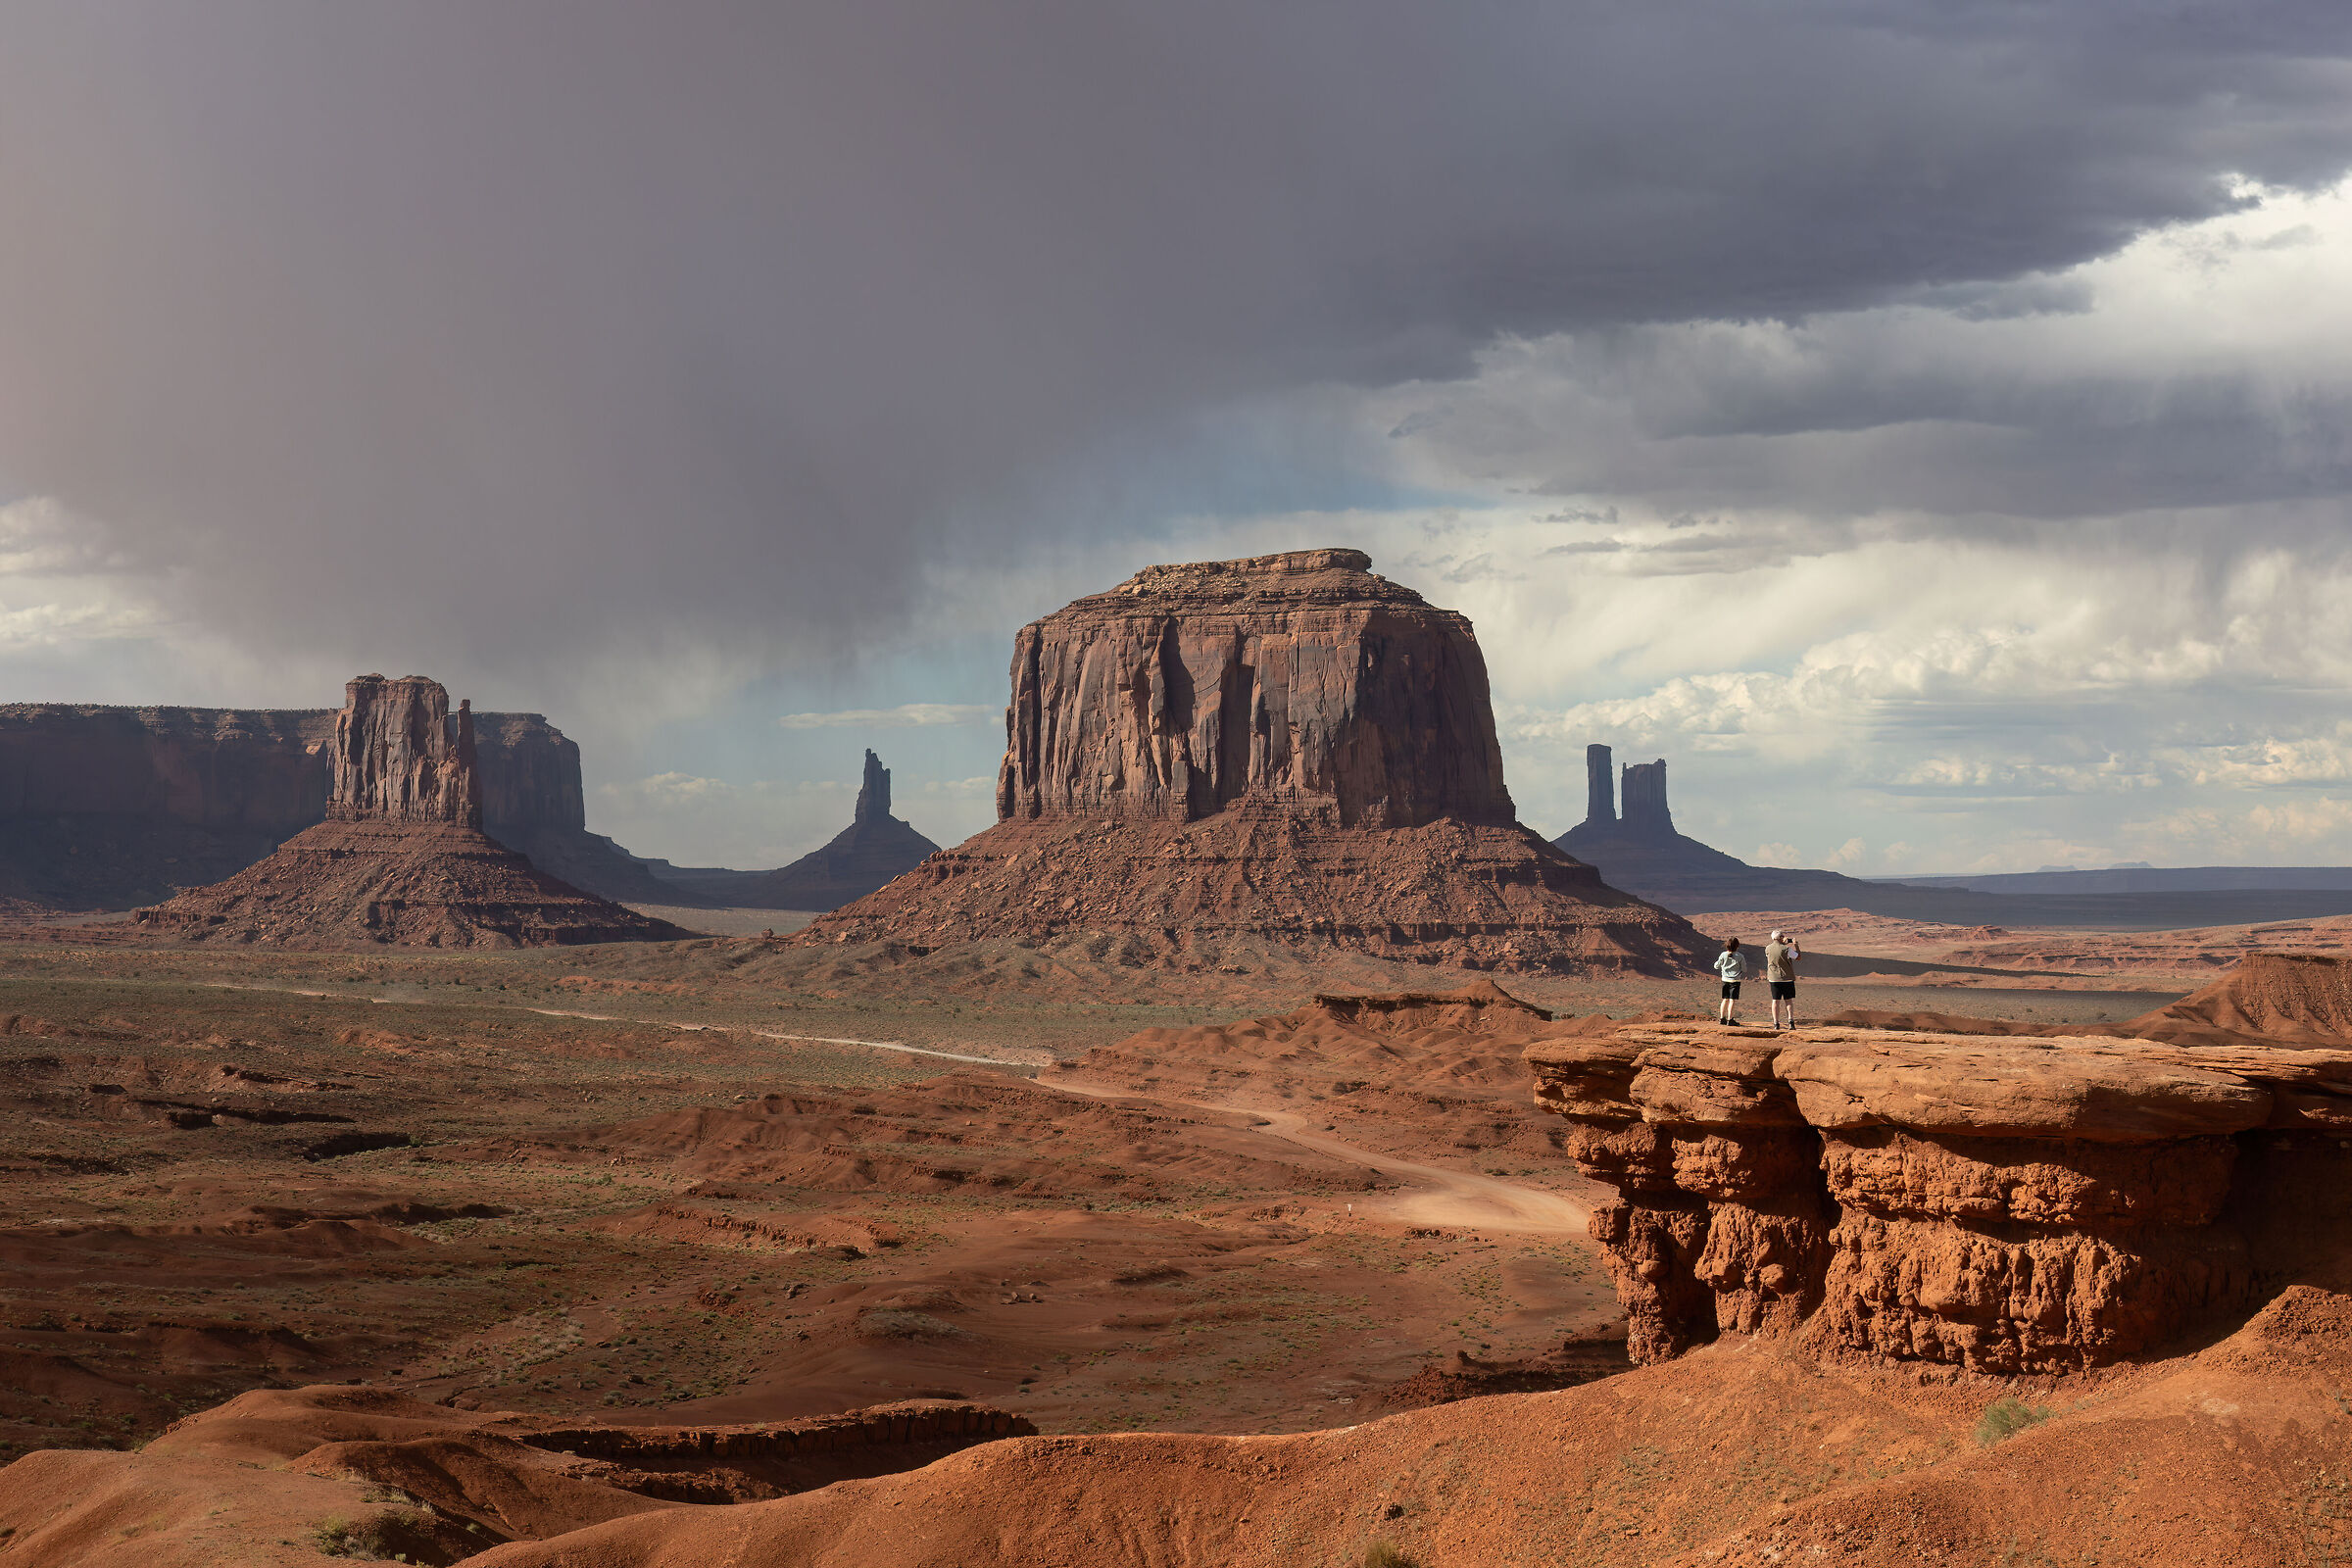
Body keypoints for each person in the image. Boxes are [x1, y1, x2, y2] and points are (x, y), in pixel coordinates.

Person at [1763, 928, 1801, 1030]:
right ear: (1780, 938)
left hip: (1774, 978)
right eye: (1783, 936)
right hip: (1787, 978)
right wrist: (1795, 944)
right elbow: (1798, 957)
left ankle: (1776, 1024)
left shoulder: (1767, 948)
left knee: (1775, 1001)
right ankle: (1791, 1022)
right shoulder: (1786, 949)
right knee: (1788, 1001)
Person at [1711, 937, 1746, 1024]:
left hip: (1725, 980)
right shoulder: (1740, 956)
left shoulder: (1723, 954)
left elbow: (1716, 966)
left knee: (1725, 999)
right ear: (1737, 946)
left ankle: (1722, 1018)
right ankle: (1730, 1020)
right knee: (1732, 1000)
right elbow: (1744, 969)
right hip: (1735, 981)